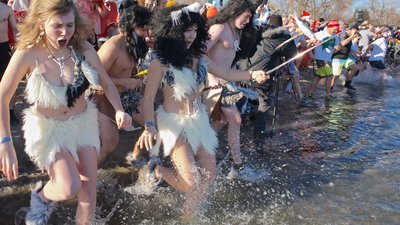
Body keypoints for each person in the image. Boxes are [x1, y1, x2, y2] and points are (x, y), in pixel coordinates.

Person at [0, 0, 131, 224]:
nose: (65, 32)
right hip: (49, 130)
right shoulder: (28, 53)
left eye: (69, 25)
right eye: (57, 26)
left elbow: (106, 83)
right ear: (41, 24)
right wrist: (5, 142)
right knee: (69, 185)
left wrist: (119, 110)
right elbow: (2, 96)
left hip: (82, 125)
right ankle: (41, 200)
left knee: (88, 195)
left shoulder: (83, 48)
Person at [137, 4, 268, 221]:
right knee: (189, 181)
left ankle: (188, 216)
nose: (190, 35)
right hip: (173, 123)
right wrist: (149, 125)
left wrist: (252, 75)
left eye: (194, 30)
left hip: (198, 121)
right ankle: (158, 170)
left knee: (209, 176)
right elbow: (148, 98)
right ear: (171, 32)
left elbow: (225, 72)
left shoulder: (200, 59)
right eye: (185, 30)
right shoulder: (160, 63)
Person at [205, 0, 260, 181]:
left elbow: (229, 65)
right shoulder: (219, 28)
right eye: (246, 16)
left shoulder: (238, 32)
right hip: (209, 82)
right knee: (235, 119)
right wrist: (212, 77)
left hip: (227, 82)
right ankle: (238, 165)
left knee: (221, 121)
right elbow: (199, 53)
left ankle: (201, 150)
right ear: (235, 12)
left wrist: (250, 75)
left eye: (250, 18)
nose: (247, 21)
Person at [93, 4, 150, 165]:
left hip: (125, 94)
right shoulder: (113, 45)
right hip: (102, 95)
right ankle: (87, 177)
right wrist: (125, 81)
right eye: (142, 29)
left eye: (147, 29)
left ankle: (136, 157)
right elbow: (94, 78)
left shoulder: (136, 44)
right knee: (110, 143)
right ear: (129, 27)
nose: (146, 34)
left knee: (152, 124)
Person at [246, 14, 299, 138]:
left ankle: (252, 116)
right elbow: (293, 53)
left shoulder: (258, 31)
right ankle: (259, 133)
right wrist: (289, 39)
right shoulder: (282, 37)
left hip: (245, 70)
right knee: (264, 102)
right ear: (281, 25)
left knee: (253, 96)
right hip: (263, 73)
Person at [305, 20, 341, 98]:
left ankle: (309, 92)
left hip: (328, 59)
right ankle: (328, 95)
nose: (335, 31)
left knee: (318, 77)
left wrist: (336, 49)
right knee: (330, 76)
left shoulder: (335, 36)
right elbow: (308, 45)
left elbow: (338, 46)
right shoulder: (319, 34)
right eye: (334, 29)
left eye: (337, 29)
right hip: (320, 58)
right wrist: (310, 53)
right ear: (329, 27)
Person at [0, 1, 18, 125]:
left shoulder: (7, 9)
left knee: (10, 81)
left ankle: (10, 112)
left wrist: (20, 48)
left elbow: (15, 30)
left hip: (4, 48)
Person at [331, 25, 360, 90]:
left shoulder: (349, 36)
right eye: (355, 31)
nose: (355, 33)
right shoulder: (343, 34)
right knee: (335, 76)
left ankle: (347, 83)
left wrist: (355, 52)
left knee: (355, 68)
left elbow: (347, 48)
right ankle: (330, 87)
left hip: (346, 58)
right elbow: (343, 44)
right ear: (351, 29)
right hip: (338, 57)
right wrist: (352, 36)